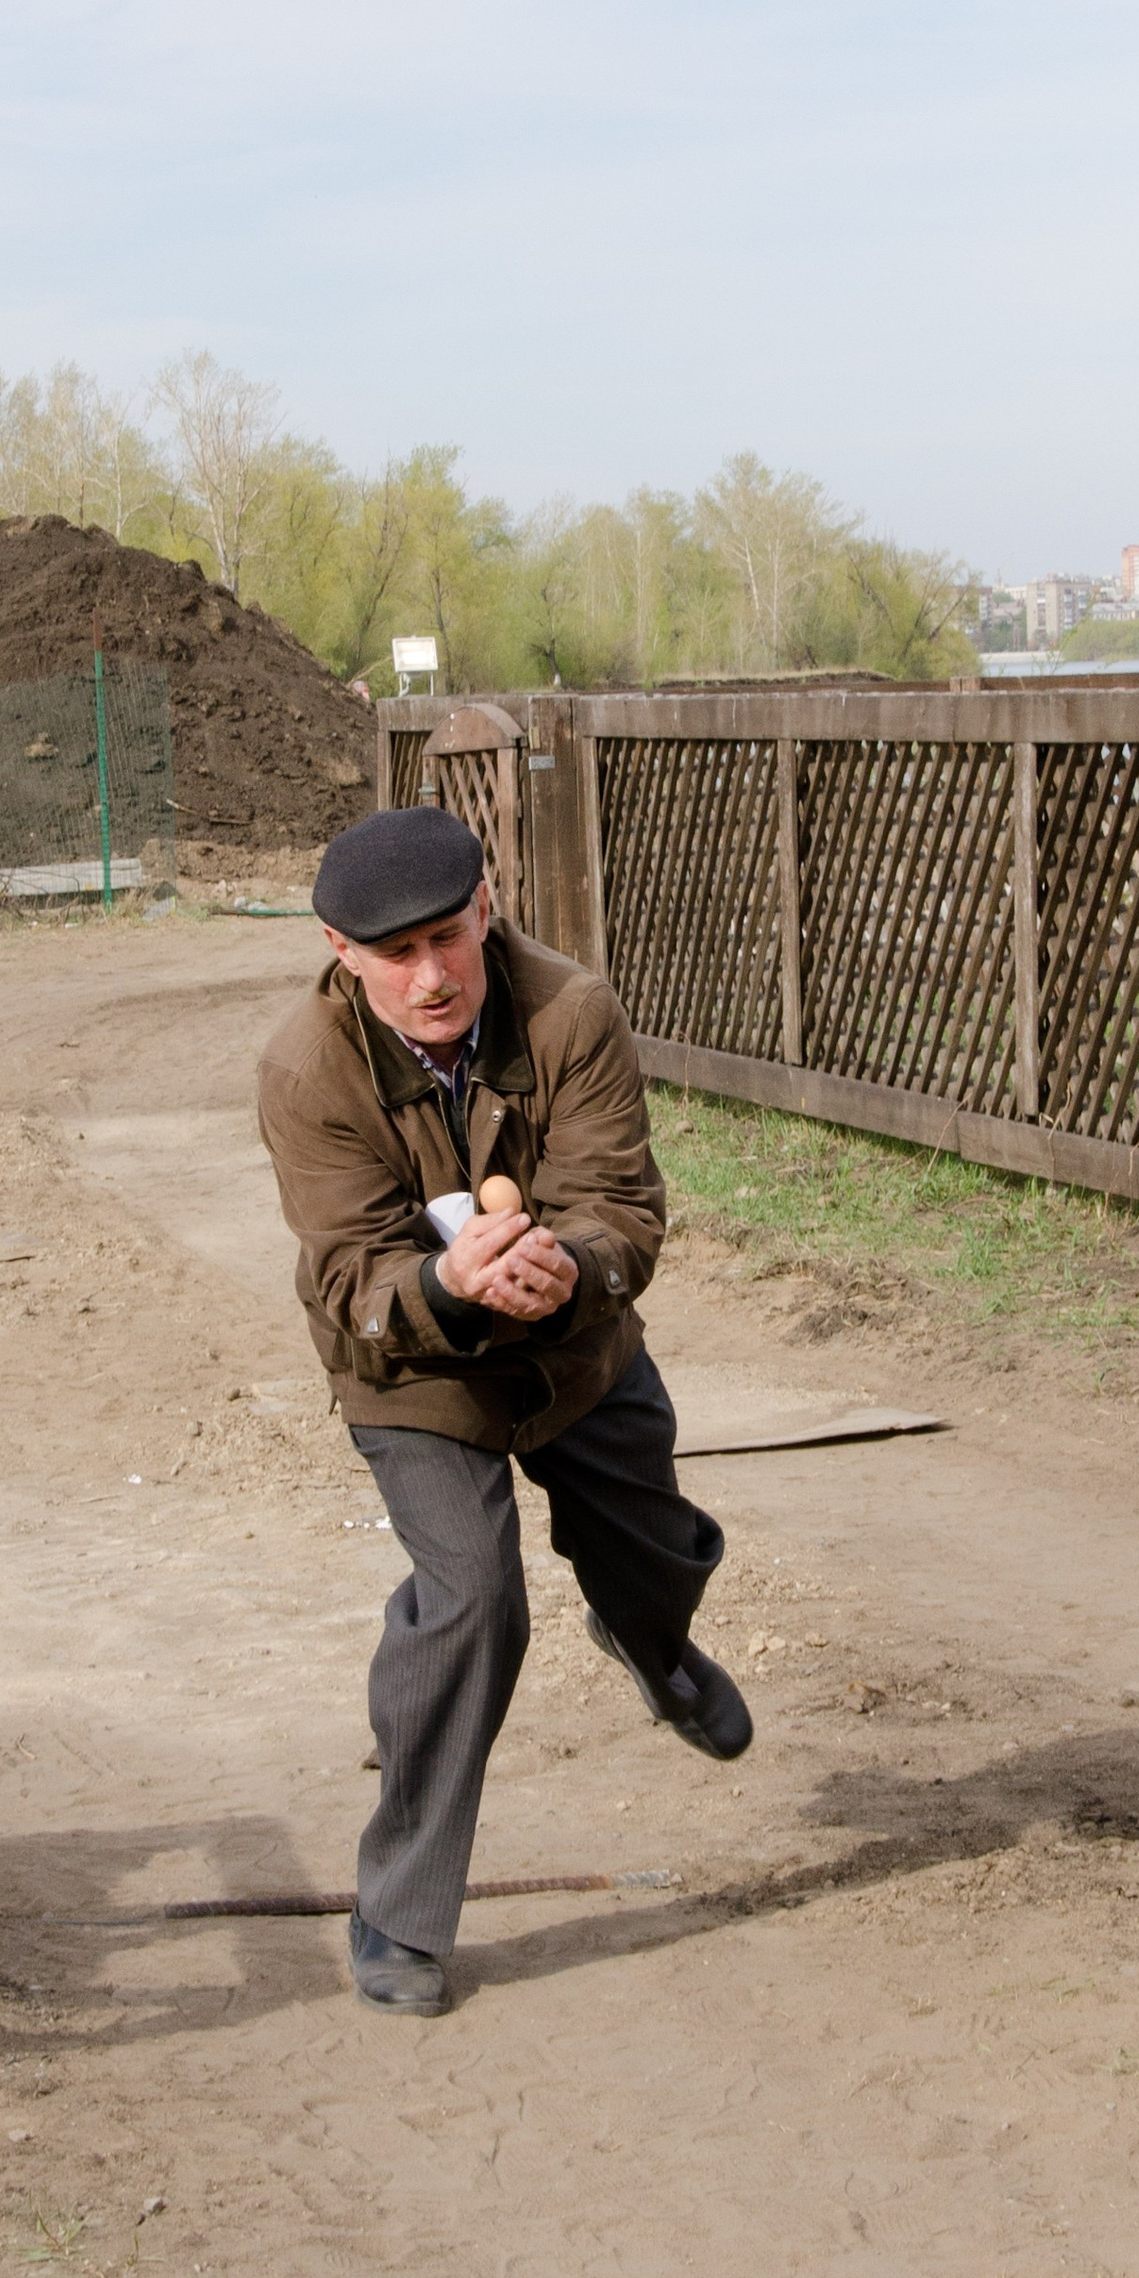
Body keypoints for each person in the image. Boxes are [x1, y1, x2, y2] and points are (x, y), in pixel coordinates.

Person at [255, 803, 748, 2016]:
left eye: (449, 937)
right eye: (396, 953)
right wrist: (444, 1285)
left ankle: (650, 1640)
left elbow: (621, 1202)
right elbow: (343, 1269)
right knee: (471, 1596)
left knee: (651, 1548)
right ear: (339, 948)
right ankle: (401, 1915)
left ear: (487, 908)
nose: (432, 976)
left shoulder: (571, 1009)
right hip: (415, 1368)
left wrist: (570, 1268)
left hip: (575, 1345)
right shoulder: (303, 1070)